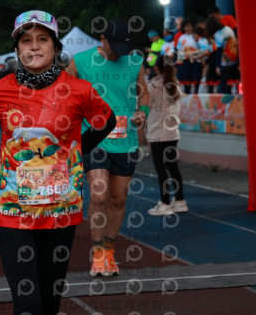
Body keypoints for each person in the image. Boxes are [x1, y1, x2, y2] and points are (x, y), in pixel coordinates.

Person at [0, 10, 115, 314]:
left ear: (55, 46)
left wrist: (73, 154)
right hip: (12, 208)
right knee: (28, 304)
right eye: (26, 40)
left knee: (49, 302)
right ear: (17, 48)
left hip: (61, 209)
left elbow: (106, 121)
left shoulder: (79, 89)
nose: (34, 46)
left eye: (42, 39)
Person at [67, 18, 150, 277]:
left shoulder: (134, 61)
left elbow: (144, 93)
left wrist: (143, 112)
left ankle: (110, 250)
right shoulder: (81, 61)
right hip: (94, 140)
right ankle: (98, 253)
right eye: (114, 47)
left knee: (118, 199)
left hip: (126, 141)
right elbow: (63, 93)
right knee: (99, 195)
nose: (118, 53)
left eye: (123, 48)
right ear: (102, 39)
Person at [146, 55, 188, 215]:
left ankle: (164, 203)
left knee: (161, 170)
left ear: (156, 68)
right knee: (173, 168)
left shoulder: (153, 86)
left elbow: (142, 104)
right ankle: (180, 201)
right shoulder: (175, 85)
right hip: (172, 134)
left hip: (157, 133)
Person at [206, 17, 240, 94]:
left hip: (226, 63)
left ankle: (227, 100)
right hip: (234, 59)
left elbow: (219, 51)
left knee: (225, 86)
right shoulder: (228, 29)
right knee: (234, 82)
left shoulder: (218, 34)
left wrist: (217, 65)